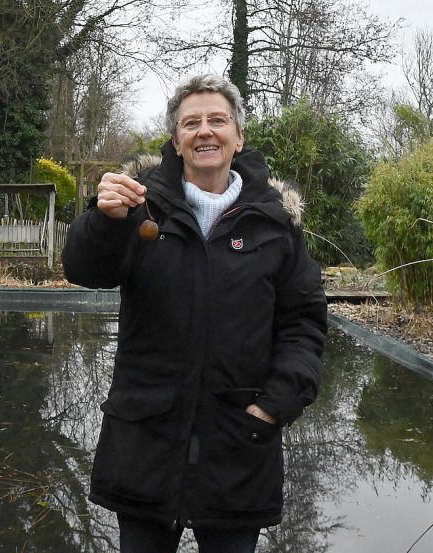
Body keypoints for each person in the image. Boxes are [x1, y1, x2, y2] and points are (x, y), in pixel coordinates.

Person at [61, 74, 327, 553]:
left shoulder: (276, 224)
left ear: (238, 137)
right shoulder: (139, 207)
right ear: (176, 141)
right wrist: (104, 221)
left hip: (239, 445)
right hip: (146, 444)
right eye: (191, 123)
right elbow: (86, 269)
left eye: (217, 120)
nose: (205, 131)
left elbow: (304, 321)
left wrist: (273, 406)